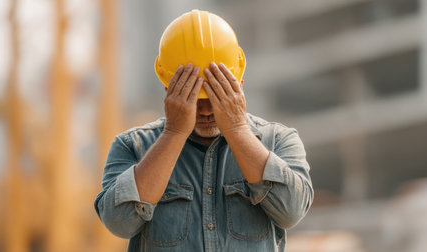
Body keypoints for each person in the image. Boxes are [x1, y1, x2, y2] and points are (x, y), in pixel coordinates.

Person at [94, 9, 313, 252]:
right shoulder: (133, 146)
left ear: (239, 84)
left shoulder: (278, 141)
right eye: (195, 96)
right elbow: (119, 223)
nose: (207, 109)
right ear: (169, 89)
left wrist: (237, 129)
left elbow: (291, 211)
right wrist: (174, 133)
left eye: (216, 94)